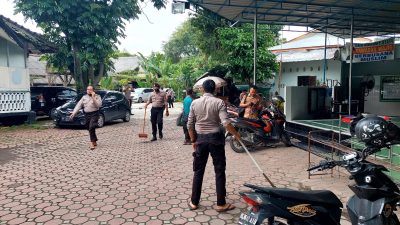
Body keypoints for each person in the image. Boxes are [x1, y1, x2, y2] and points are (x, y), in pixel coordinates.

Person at [187, 79, 241, 212]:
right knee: (219, 171)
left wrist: (193, 140)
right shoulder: (219, 102)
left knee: (198, 171)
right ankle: (221, 204)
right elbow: (226, 123)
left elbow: (189, 124)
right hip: (216, 140)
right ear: (215, 89)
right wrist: (236, 135)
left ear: (203, 89)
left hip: (200, 140)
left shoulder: (195, 103)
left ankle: (194, 202)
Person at [70, 85, 102, 150]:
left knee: (91, 126)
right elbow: (78, 105)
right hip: (87, 114)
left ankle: (91, 143)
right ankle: (94, 140)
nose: (89, 90)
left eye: (90, 89)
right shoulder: (84, 97)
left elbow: (98, 105)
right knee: (89, 127)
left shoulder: (97, 97)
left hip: (95, 114)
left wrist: (93, 97)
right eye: (88, 89)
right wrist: (74, 113)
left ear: (93, 90)